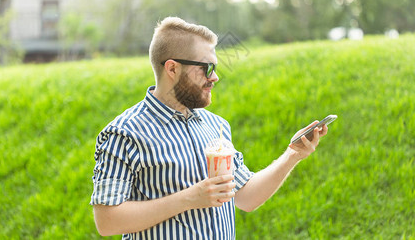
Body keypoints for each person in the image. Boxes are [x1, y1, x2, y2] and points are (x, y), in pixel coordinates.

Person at [90, 17, 328, 239]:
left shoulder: (217, 126)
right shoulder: (124, 133)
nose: (215, 78)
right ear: (172, 69)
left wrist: (293, 155)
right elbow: (107, 221)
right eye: (207, 68)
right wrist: (189, 198)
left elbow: (245, 198)